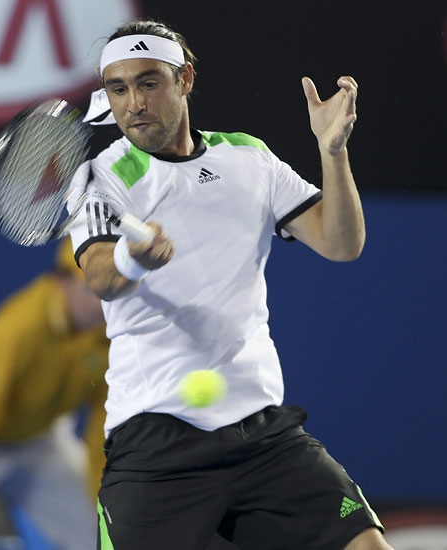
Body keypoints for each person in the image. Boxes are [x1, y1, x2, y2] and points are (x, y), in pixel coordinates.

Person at [68, 19, 394, 550]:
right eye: (118, 89)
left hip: (263, 436)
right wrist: (133, 256)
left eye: (149, 83)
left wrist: (332, 152)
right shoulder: (102, 178)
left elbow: (341, 243)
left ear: (185, 79)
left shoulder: (248, 157)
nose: (134, 103)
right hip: (156, 442)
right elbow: (102, 276)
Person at [0, 238, 109, 549]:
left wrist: (101, 499)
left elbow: (102, 430)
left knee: (101, 528)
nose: (99, 305)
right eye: (90, 290)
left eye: (106, 292)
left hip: (36, 441)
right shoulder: (21, 325)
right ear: (61, 282)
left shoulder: (107, 334)